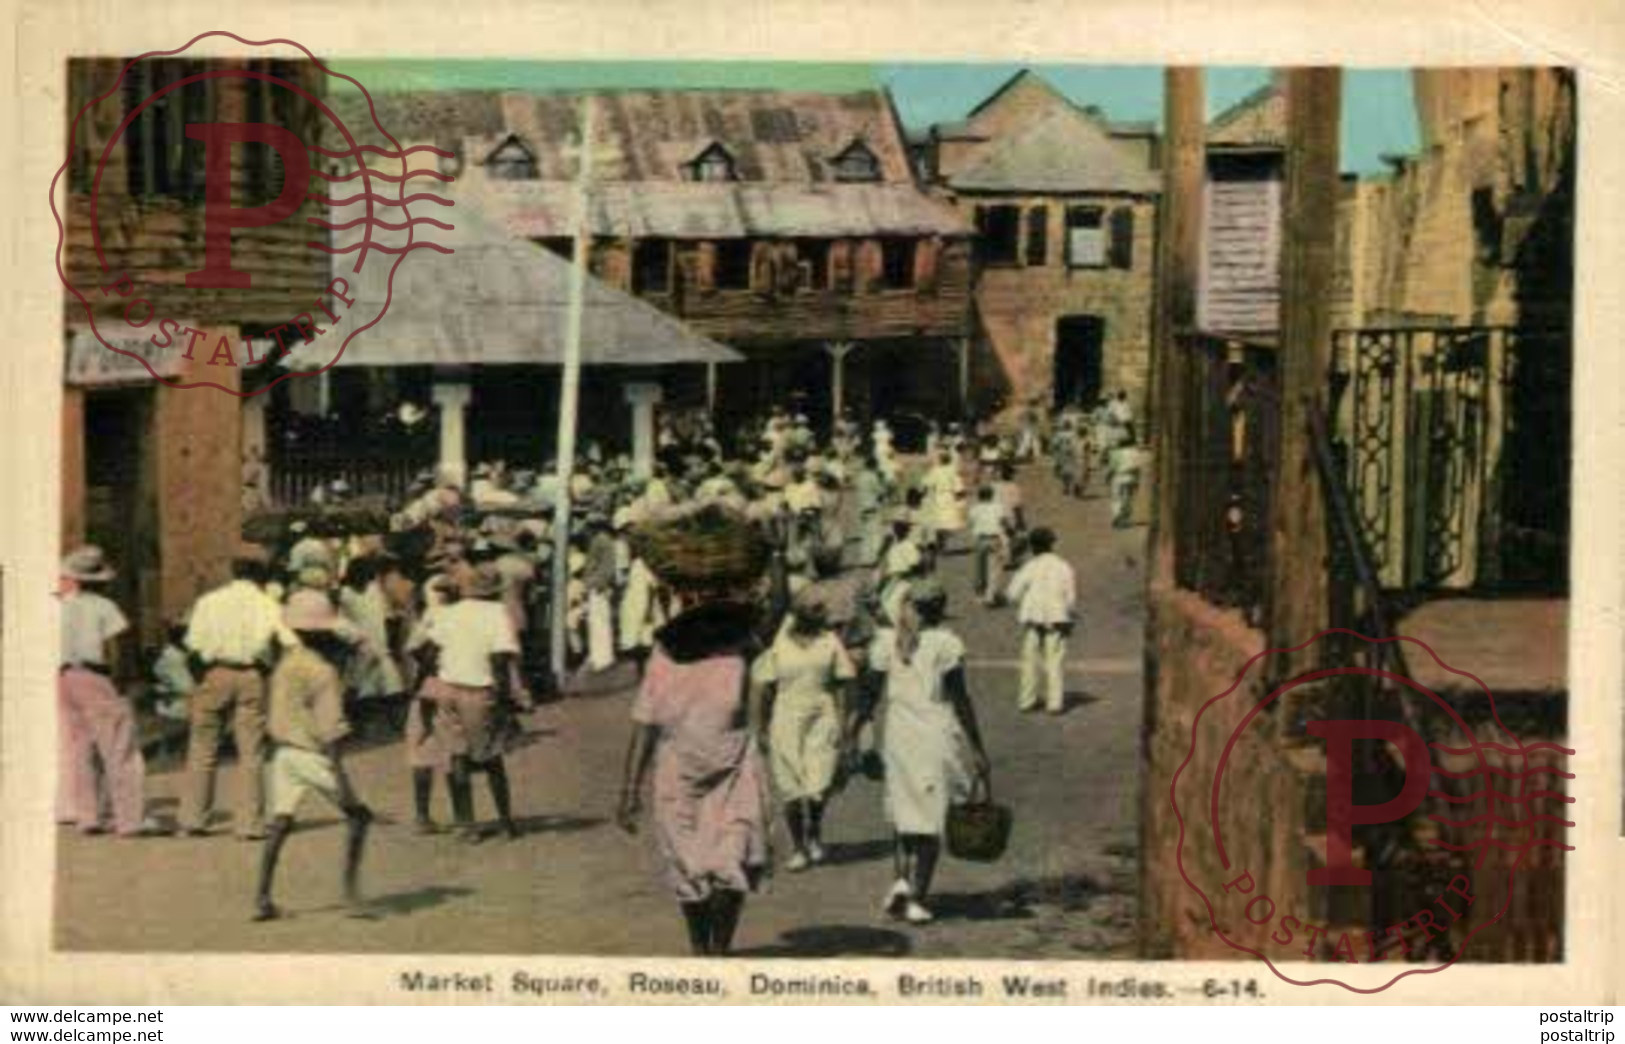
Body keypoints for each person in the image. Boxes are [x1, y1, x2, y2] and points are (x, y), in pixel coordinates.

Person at [616, 504, 773, 957]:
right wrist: (629, 790)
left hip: (734, 766)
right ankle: (700, 950)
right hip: (679, 772)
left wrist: (775, 557)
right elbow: (644, 724)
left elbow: (775, 611)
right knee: (688, 869)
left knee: (733, 859)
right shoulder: (664, 654)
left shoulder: (740, 645)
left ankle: (719, 951)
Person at [866, 580, 991, 925]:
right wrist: (978, 747)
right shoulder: (947, 644)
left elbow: (869, 694)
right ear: (939, 608)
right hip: (934, 735)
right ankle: (916, 896)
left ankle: (902, 882)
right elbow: (960, 698)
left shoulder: (886, 644)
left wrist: (855, 732)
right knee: (932, 819)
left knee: (904, 813)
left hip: (898, 735)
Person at [252, 589, 374, 922]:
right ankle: (351, 894)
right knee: (359, 817)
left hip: (282, 753)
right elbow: (330, 730)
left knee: (280, 822)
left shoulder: (286, 664)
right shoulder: (323, 672)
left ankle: (262, 897)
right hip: (312, 754)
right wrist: (343, 781)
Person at [178, 556, 294, 839]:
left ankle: (193, 819)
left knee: (203, 748)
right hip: (252, 675)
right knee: (251, 752)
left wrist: (201, 677)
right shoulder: (268, 604)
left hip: (214, 672)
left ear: (233, 574)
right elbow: (289, 642)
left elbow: (192, 644)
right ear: (260, 578)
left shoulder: (209, 601)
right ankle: (249, 824)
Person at [56, 546, 158, 837]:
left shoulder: (60, 606)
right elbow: (117, 647)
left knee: (82, 748)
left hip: (65, 677)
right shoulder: (104, 606)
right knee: (119, 746)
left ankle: (89, 815)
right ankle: (129, 819)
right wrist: (122, 681)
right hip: (95, 676)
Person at [753, 592, 856, 872]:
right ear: (799, 613)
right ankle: (799, 846)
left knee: (818, 786)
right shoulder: (780, 643)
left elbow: (846, 682)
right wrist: (761, 726)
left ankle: (815, 832)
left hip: (822, 716)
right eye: (816, 609)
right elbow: (767, 686)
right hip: (786, 716)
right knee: (791, 789)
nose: (823, 614)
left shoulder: (830, 641)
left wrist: (846, 725)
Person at [423, 563, 524, 842]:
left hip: (447, 688)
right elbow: (500, 659)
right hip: (479, 690)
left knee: (457, 757)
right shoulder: (497, 613)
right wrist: (505, 700)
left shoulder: (448, 613)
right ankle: (505, 822)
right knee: (491, 757)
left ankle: (466, 825)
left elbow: (429, 651)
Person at [1005, 527, 1077, 715]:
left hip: (1033, 617)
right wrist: (1069, 614)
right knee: (1054, 660)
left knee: (1029, 659)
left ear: (1032, 547)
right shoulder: (1063, 566)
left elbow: (1012, 594)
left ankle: (1026, 700)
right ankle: (1054, 703)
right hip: (1056, 618)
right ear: (1052, 544)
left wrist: (1023, 601)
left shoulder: (1029, 566)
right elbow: (1070, 598)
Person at [967, 485, 1010, 607]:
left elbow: (971, 522)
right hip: (994, 538)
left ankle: (980, 595)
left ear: (979, 497)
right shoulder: (998, 507)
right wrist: (1009, 531)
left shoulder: (974, 509)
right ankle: (990, 596)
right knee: (994, 569)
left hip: (980, 539)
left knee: (980, 568)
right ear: (991, 496)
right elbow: (1004, 522)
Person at [1107, 439, 1145, 529]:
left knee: (1116, 498)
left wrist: (1108, 477)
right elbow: (1138, 469)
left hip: (1118, 477)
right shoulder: (1135, 453)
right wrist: (1137, 481)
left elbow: (1112, 467)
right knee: (1128, 498)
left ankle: (1117, 516)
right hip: (1131, 477)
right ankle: (1124, 518)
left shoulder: (1115, 453)